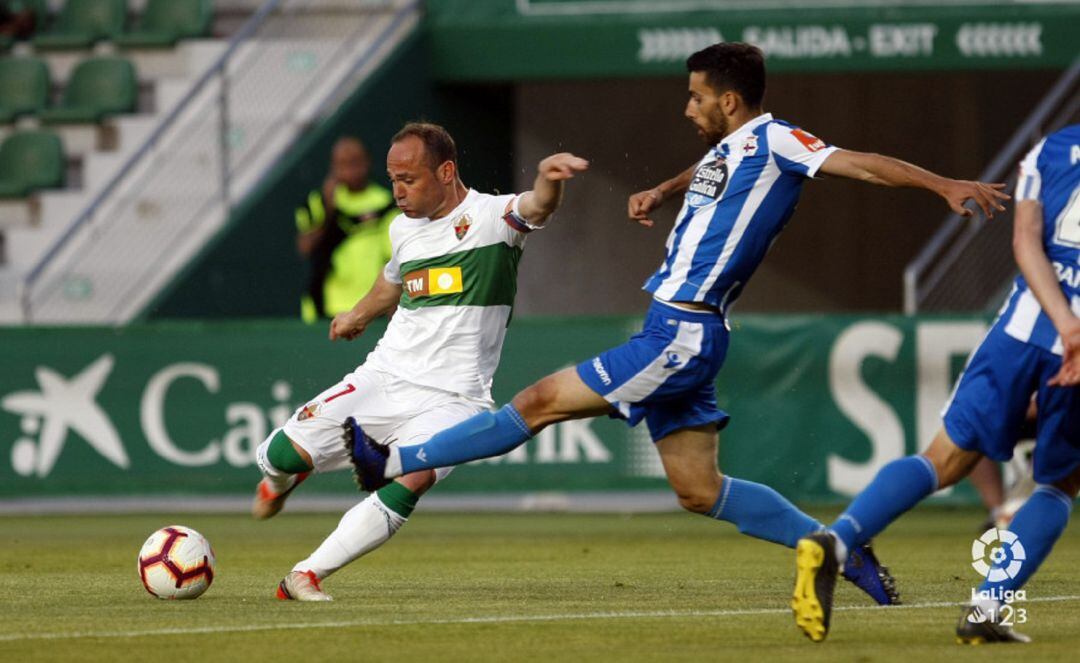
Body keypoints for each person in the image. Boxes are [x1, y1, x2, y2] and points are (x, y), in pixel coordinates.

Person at [349, 42, 1007, 607]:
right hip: (682, 327)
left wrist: (943, 184)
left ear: (729, 101)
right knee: (698, 490)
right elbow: (710, 171)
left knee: (538, 402)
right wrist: (663, 191)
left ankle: (396, 459)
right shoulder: (736, 147)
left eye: (696, 97)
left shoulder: (779, 139)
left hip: (681, 333)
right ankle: (838, 550)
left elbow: (861, 163)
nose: (687, 107)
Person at [253, 121, 589, 601]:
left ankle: (305, 576)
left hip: (456, 399)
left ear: (447, 171)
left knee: (411, 478)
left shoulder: (494, 217)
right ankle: (283, 478)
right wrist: (356, 314)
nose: (398, 191)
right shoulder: (402, 228)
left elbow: (536, 206)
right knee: (280, 455)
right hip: (384, 376)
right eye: (393, 180)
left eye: (408, 179)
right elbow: (393, 281)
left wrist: (549, 182)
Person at [789, 124, 1080, 644]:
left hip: (1019, 331)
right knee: (1058, 484)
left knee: (942, 459)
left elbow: (1024, 244)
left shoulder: (1048, 149)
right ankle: (987, 606)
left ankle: (836, 543)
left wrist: (1062, 320)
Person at [295, 137, 397, 323]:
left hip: (374, 307)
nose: (350, 170)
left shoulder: (387, 202)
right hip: (328, 308)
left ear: (367, 162)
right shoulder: (318, 202)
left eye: (355, 163)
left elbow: (393, 257)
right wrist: (329, 211)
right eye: (342, 164)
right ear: (333, 167)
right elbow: (306, 248)